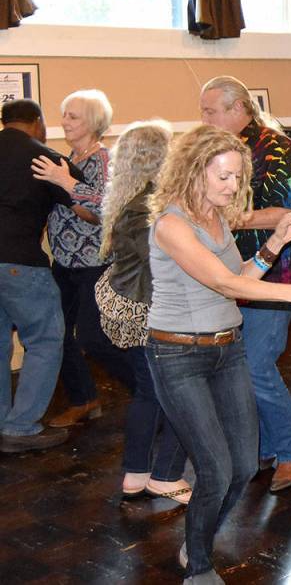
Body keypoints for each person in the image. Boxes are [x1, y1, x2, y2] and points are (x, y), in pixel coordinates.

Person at [145, 124, 291, 583]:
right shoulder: (172, 224)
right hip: (178, 356)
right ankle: (198, 566)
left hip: (227, 349)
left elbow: (240, 277)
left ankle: (197, 539)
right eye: (224, 177)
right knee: (215, 468)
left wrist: (276, 242)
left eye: (238, 177)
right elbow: (222, 282)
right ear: (195, 171)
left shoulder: (217, 217)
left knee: (244, 465)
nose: (234, 187)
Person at [199, 75, 291, 492]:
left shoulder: (276, 147)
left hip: (273, 277)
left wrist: (223, 217)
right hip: (231, 276)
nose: (204, 119)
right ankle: (261, 446)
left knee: (255, 366)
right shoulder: (216, 150)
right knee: (239, 370)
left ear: (238, 108)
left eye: (210, 111)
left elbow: (289, 213)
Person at [95, 120, 191, 503]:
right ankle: (159, 475)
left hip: (132, 304)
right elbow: (166, 261)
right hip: (148, 311)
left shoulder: (131, 200)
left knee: (149, 391)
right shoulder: (147, 209)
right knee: (165, 394)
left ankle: (138, 474)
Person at [32, 89, 139, 429]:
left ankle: (150, 393)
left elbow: (105, 211)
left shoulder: (103, 159)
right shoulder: (68, 159)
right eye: (64, 115)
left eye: (73, 116)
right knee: (56, 333)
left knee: (94, 338)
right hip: (65, 264)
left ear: (93, 122)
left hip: (96, 264)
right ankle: (84, 399)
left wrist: (65, 183)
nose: (64, 122)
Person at [0, 99, 93, 453]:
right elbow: (89, 211)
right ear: (37, 122)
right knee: (44, 340)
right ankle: (21, 428)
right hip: (21, 264)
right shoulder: (44, 157)